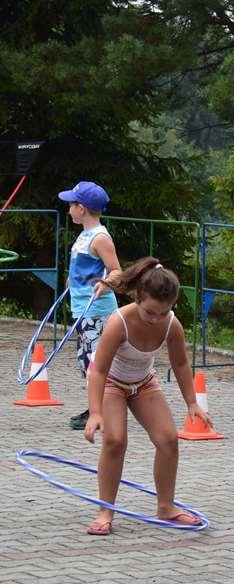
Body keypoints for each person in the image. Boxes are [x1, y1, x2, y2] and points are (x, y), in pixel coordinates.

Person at [83, 258, 210, 536]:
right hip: (111, 383)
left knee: (168, 439)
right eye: (150, 312)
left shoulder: (171, 325)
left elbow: (180, 364)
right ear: (138, 297)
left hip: (143, 383)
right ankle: (105, 510)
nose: (155, 319)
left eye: (163, 313)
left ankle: (166, 507)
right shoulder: (119, 322)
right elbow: (99, 370)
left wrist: (192, 402)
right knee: (115, 440)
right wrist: (95, 413)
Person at [60, 181, 122, 430]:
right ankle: (99, 408)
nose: (68, 210)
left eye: (71, 205)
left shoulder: (100, 238)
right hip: (83, 310)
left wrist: (105, 284)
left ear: (82, 208)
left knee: (96, 363)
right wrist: (71, 280)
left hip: (97, 311)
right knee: (87, 361)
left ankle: (101, 412)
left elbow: (117, 271)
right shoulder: (84, 235)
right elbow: (84, 268)